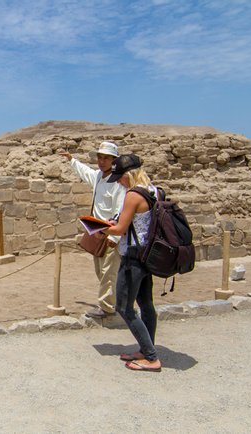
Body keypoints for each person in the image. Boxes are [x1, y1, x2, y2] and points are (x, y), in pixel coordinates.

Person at [102, 154, 161, 372]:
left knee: (124, 307)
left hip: (133, 257)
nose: (118, 181)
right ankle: (146, 349)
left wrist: (99, 228)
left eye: (120, 177)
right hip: (148, 255)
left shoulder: (133, 195)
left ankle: (151, 357)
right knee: (146, 305)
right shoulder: (154, 191)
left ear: (129, 175)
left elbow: (119, 230)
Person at [60, 141, 126, 318]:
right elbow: (85, 172)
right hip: (98, 231)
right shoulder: (99, 176)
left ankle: (107, 308)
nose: (102, 161)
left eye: (106, 158)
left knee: (108, 272)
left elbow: (120, 211)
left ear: (114, 160)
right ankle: (115, 302)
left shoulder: (118, 183)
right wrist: (72, 160)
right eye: (100, 157)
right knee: (101, 271)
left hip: (111, 234)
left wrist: (115, 238)